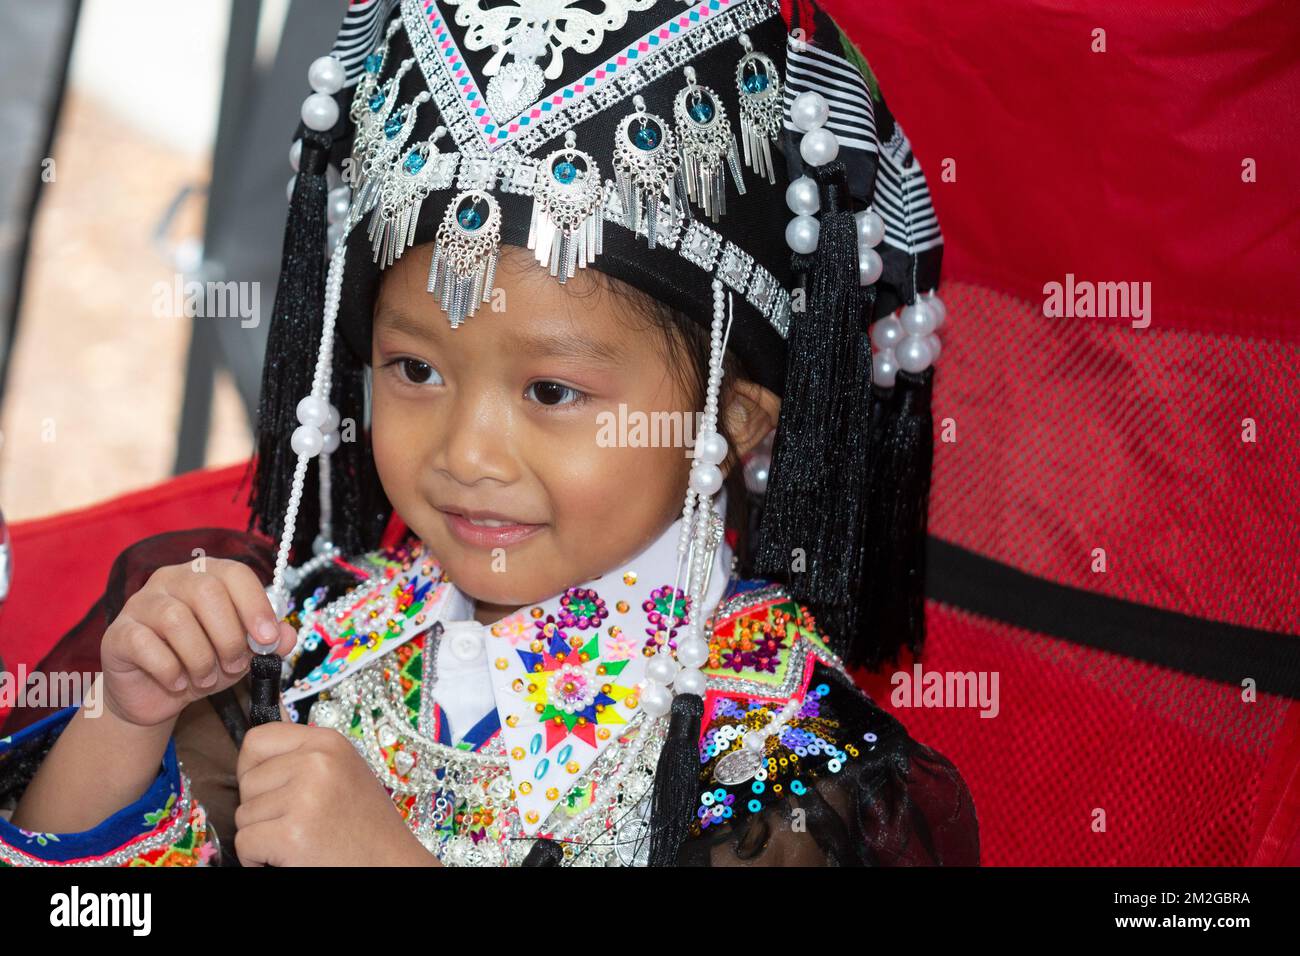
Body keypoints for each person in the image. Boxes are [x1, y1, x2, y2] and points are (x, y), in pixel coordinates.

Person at [0, 0, 977, 866]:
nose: (466, 452)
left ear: (730, 420)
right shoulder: (307, 639)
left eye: (551, 390)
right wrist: (125, 720)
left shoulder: (777, 761)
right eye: (415, 370)